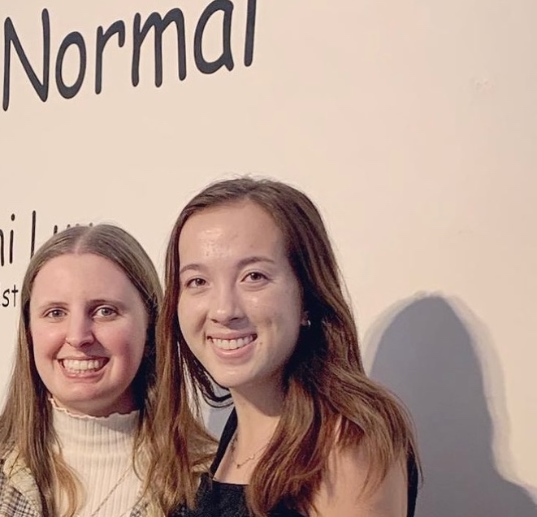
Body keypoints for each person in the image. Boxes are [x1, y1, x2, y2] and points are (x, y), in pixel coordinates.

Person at [151, 177, 420, 517]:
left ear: (307, 294)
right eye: (197, 282)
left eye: (254, 277)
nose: (222, 310)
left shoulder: (347, 440)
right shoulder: (236, 430)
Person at [0, 224, 163, 517]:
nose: (78, 336)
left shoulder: (204, 482)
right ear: (28, 331)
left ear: (151, 326)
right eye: (55, 313)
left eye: (105, 311)